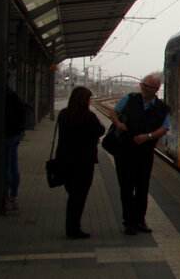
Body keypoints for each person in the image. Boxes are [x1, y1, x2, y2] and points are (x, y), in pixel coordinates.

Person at [108, 74, 170, 234]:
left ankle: (140, 220)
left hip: (145, 153)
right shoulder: (130, 99)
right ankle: (129, 221)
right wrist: (118, 124)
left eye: (147, 86)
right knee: (126, 187)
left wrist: (148, 137)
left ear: (156, 89)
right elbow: (114, 112)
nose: (143, 88)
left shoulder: (162, 108)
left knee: (143, 187)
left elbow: (164, 128)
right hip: (125, 151)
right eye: (142, 85)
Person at [55, 87, 106, 239]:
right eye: (89, 99)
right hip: (84, 162)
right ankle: (73, 229)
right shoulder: (88, 117)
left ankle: (71, 226)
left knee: (72, 194)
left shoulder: (63, 114)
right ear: (85, 101)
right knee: (79, 196)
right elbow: (100, 130)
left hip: (65, 160)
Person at [3, 76, 29, 211]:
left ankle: (6, 197)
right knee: (13, 166)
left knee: (5, 166)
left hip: (6, 134)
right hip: (15, 134)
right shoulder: (13, 95)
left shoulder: (1, 96)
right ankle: (12, 196)